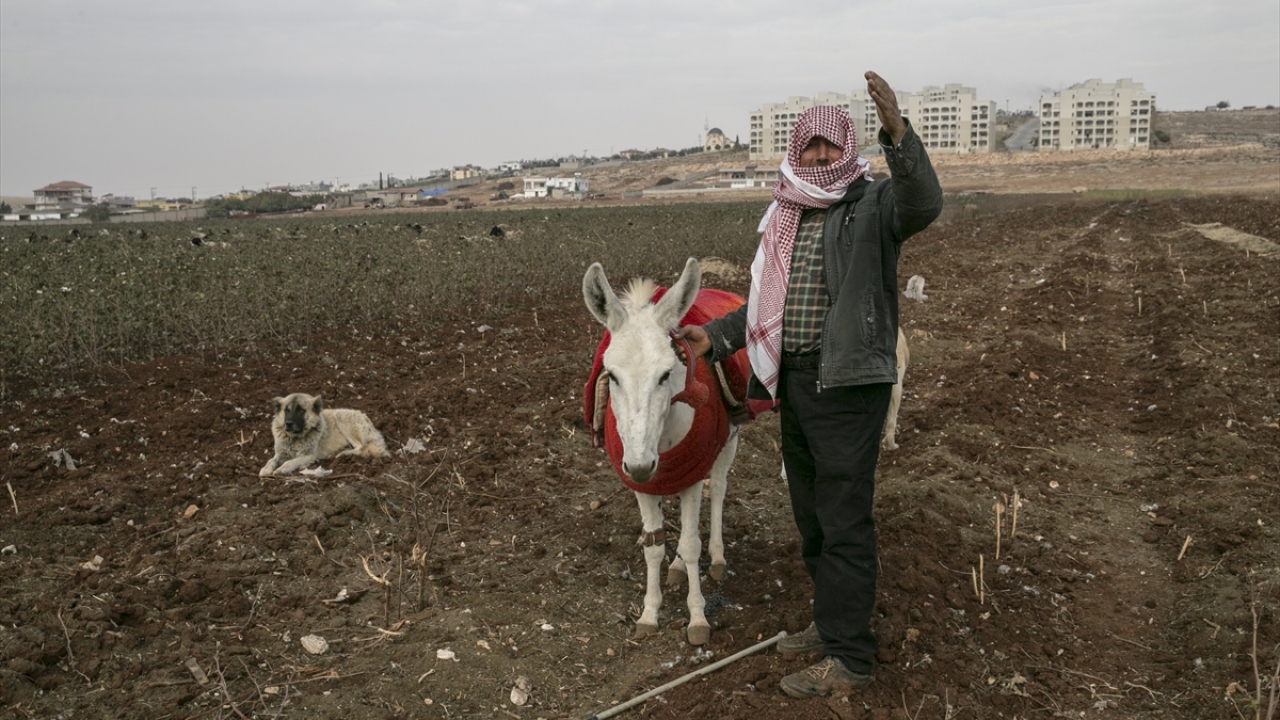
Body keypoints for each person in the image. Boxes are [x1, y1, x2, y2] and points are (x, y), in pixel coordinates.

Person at [676, 71, 942, 698]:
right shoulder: (786, 213)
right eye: (811, 146)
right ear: (798, 152)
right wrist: (714, 338)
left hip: (849, 385)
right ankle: (830, 624)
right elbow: (772, 304)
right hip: (794, 382)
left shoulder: (874, 204)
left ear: (847, 148)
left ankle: (849, 657)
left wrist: (899, 132)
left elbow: (924, 203)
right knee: (813, 516)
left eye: (831, 145)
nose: (821, 155)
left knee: (844, 518)